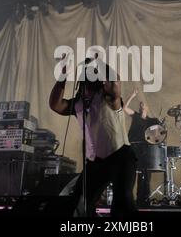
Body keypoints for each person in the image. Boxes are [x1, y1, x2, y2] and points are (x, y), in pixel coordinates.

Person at [49, 60, 137, 217]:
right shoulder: (77, 104)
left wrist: (99, 64)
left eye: (88, 86)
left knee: (123, 203)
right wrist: (62, 77)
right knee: (79, 202)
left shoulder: (109, 98)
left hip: (120, 157)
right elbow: (55, 105)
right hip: (96, 162)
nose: (85, 91)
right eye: (82, 87)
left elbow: (115, 82)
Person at [124, 89, 160, 207]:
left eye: (144, 104)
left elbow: (159, 134)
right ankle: (127, 199)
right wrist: (132, 95)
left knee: (144, 174)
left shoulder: (152, 121)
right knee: (130, 173)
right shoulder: (136, 116)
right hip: (133, 146)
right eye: (141, 104)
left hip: (145, 149)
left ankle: (143, 199)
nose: (142, 105)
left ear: (147, 108)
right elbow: (124, 108)